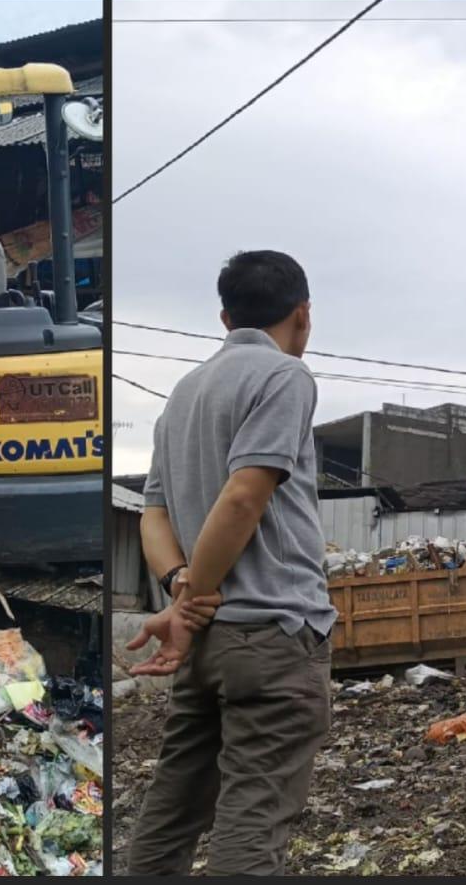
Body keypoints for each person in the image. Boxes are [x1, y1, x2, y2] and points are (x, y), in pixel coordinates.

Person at [124, 249, 337, 877]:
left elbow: (152, 515)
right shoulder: (285, 377)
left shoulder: (184, 394)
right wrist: (190, 603)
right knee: (255, 813)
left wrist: (179, 588)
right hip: (272, 634)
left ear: (224, 317)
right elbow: (245, 494)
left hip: (211, 644)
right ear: (303, 314)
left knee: (173, 807)